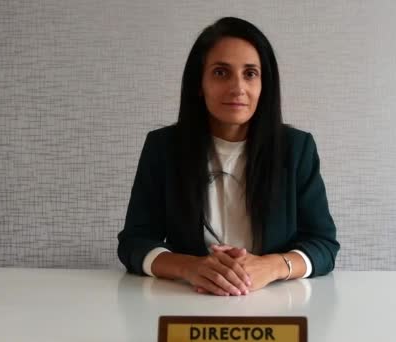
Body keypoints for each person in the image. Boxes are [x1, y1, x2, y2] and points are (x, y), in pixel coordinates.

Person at [118, 17, 339, 296]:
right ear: (199, 83)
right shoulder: (163, 147)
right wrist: (191, 267)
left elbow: (324, 244)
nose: (238, 88)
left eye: (250, 74)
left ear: (264, 85)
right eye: (221, 73)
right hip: (187, 301)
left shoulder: (296, 149)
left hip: (275, 304)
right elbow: (134, 242)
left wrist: (272, 266)